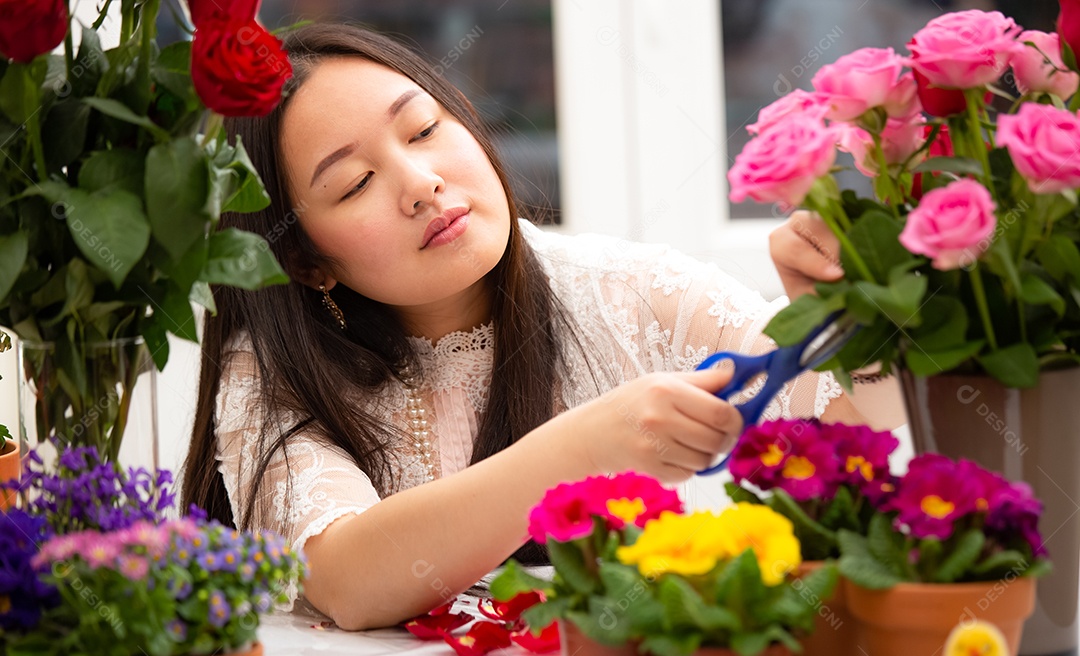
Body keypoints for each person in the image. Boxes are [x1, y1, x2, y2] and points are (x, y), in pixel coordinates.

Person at [181, 22, 904, 631]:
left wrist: (854, 318)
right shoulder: (277, 369)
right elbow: (349, 579)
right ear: (307, 262)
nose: (421, 184)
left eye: (425, 129)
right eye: (356, 183)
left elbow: (864, 422)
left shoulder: (628, 291)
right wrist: (584, 445)